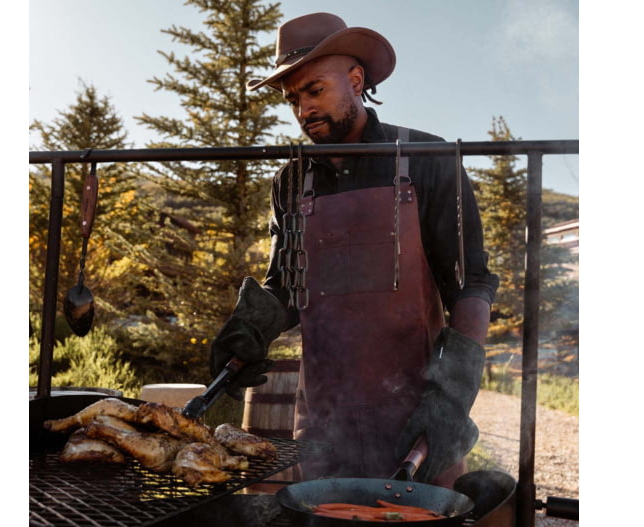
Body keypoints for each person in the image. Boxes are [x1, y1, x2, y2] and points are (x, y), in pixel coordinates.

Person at [208, 12, 499, 488]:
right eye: (292, 98)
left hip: (418, 418)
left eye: (314, 90)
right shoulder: (290, 182)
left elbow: (472, 285)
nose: (303, 110)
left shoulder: (428, 159)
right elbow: (285, 284)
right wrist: (250, 327)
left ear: (356, 79)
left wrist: (452, 395)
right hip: (325, 421)